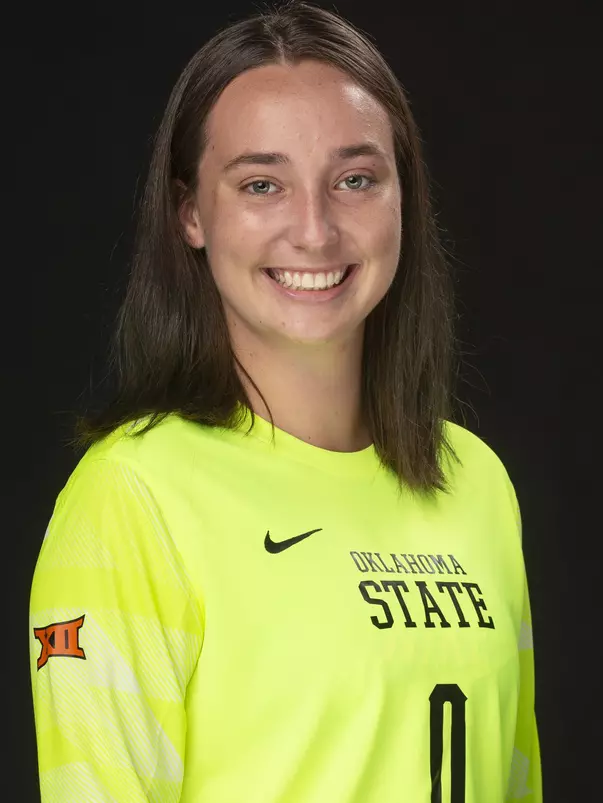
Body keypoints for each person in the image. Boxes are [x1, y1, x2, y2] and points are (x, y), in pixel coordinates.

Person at [29, 1, 542, 801]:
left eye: (354, 179)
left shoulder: (476, 482)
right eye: (262, 184)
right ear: (191, 213)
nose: (313, 229)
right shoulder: (133, 497)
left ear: (403, 196)